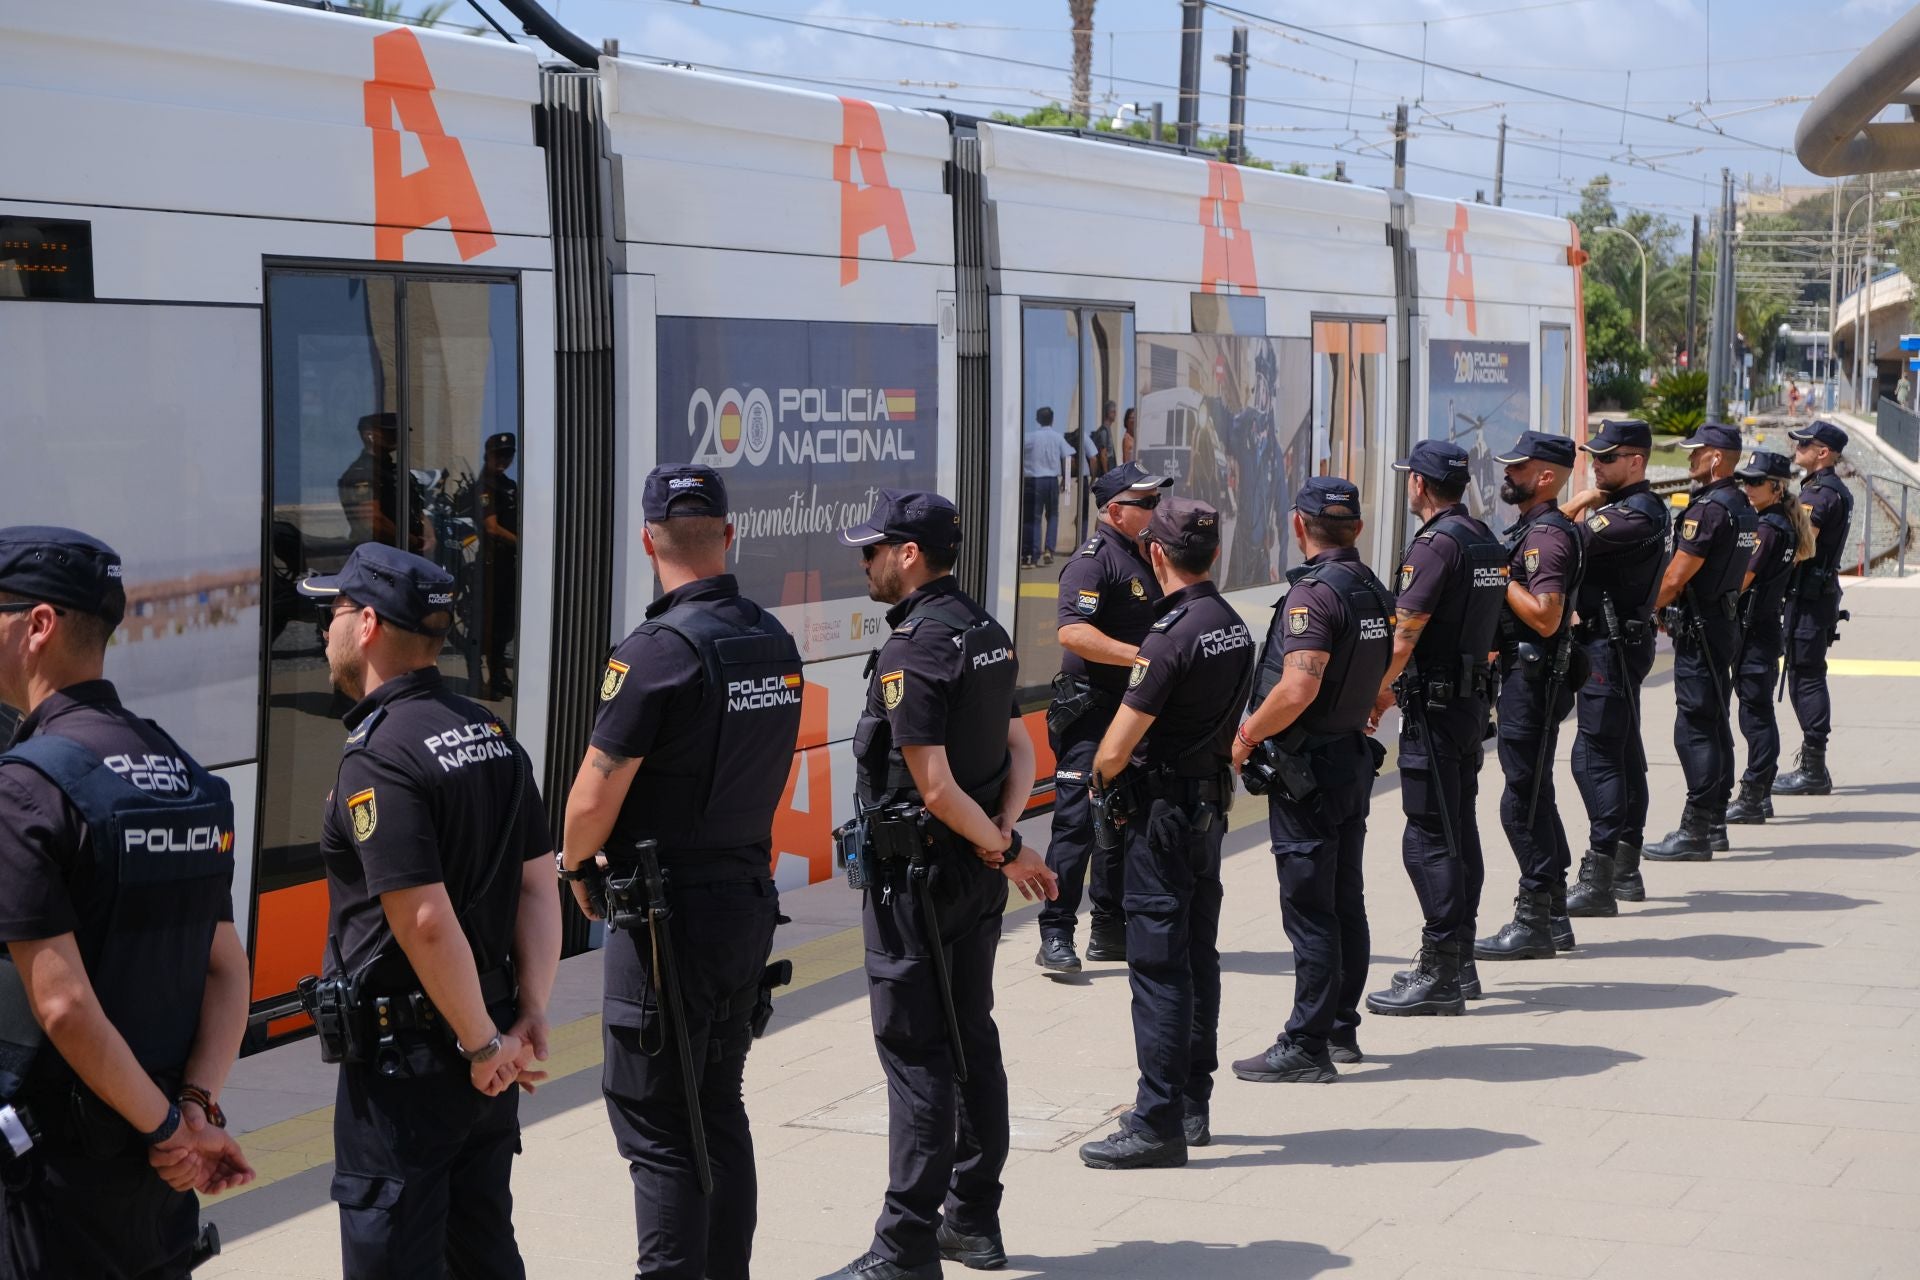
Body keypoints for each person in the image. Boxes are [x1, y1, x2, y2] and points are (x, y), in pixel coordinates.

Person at [558, 466, 804, 1280]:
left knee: (658, 1120)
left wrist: (571, 866)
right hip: (745, 905)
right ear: (729, 536)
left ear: (646, 541)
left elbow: (595, 794)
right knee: (718, 1105)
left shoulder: (655, 654)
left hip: (667, 923)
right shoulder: (774, 640)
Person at [299, 542, 559, 1279]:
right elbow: (538, 882)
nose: (326, 628)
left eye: (336, 611)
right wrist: (527, 1014)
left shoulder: (378, 756)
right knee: (481, 1249)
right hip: (490, 1043)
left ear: (370, 624)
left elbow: (423, 919)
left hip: (409, 1069)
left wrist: (482, 1047)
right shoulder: (492, 733)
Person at [0, 527, 255, 1279]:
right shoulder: (186, 772)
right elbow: (226, 970)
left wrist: (170, 1128)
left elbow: (64, 1006)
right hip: (154, 1192)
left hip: (53, 1184)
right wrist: (197, 1112)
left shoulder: (26, 788)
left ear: (38, 625)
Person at [823, 491, 1054, 1280]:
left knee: (917, 1054)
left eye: (872, 550)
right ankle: (974, 1222)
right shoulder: (985, 631)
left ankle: (904, 1251)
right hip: (969, 877)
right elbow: (1021, 750)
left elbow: (933, 787)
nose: (865, 564)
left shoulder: (914, 647)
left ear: (909, 554)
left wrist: (1006, 847)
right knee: (971, 1037)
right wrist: (1002, 842)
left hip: (917, 884)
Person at [1078, 498, 1255, 1170]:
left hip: (1161, 820)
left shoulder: (1169, 635)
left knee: (1156, 968)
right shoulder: (1231, 624)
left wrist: (1098, 773)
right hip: (1207, 810)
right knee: (1198, 956)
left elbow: (1116, 748)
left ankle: (1157, 1121)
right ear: (1215, 553)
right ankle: (1191, 1102)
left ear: (1157, 555)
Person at [1229, 478, 1392, 1079]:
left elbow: (1297, 686)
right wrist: (1373, 696)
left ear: (1299, 524)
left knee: (1310, 907)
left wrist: (1244, 739)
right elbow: (1388, 656)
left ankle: (1306, 1044)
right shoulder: (1370, 587)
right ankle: (1341, 1028)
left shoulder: (1314, 595)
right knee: (1346, 898)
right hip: (1348, 758)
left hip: (1311, 773)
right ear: (1357, 528)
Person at [1364, 440, 1506, 1016]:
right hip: (1468, 705)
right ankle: (1460, 959)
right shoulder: (1484, 538)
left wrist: (1373, 695)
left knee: (1427, 833)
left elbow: (1405, 633)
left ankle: (1441, 967)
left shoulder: (1434, 546)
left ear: (1419, 485)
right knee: (1456, 825)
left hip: (1435, 710)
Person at [1037, 462, 1172, 974]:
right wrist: (1142, 657)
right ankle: (1054, 933)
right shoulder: (1092, 563)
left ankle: (1109, 931)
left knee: (1120, 819)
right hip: (1092, 712)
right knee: (1075, 824)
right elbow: (1073, 633)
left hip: (1131, 712)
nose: (1155, 511)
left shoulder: (1141, 555)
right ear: (1115, 511)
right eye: (1147, 504)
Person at [1477, 432, 1585, 961]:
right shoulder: (1534, 530)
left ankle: (1535, 915)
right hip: (1526, 677)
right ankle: (1556, 914)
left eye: (1518, 468)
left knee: (1521, 800)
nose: (1508, 474)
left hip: (1533, 680)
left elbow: (1546, 616)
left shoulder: (1547, 537)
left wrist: (1497, 574)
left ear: (1546, 477)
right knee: (1534, 792)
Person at [1559, 419, 1671, 915]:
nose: (1596, 466)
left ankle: (1601, 871)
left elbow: (1553, 542)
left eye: (1606, 458)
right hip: (1614, 642)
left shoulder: (1636, 514)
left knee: (1595, 757)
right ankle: (1624, 868)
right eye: (1595, 457)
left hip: (1611, 646)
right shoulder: (1629, 508)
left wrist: (1580, 505)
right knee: (1622, 752)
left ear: (1636, 461)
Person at [1645, 423, 1759, 862]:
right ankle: (1712, 824)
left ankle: (1696, 828)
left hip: (1701, 628)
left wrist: (1645, 610)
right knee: (1713, 721)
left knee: (1693, 728)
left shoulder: (1708, 510)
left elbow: (1675, 577)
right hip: (1723, 622)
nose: (1689, 460)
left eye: (1696, 454)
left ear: (1715, 458)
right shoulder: (1742, 506)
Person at [1726, 451, 1811, 825]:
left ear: (1777, 488)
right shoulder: (1781, 524)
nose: (1747, 486)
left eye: (1755, 481)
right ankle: (1759, 794)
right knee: (1757, 713)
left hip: (1755, 634)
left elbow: (1741, 579)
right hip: (1763, 630)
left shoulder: (1768, 529)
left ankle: (1755, 793)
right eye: (1744, 479)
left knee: (1755, 716)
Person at [1773, 420, 1855, 797]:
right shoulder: (1826, 489)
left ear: (1823, 453)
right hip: (1816, 595)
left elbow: (1801, 547)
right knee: (1806, 674)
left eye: (1805, 443)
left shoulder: (1820, 495)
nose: (1797, 447)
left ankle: (1813, 768)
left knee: (1806, 676)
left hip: (1809, 598)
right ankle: (1812, 764)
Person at [337, 411, 432, 555]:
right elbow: (372, 521)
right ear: (369, 435)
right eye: (390, 432)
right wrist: (413, 541)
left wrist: (429, 536)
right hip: (382, 555)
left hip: (406, 551)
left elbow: (416, 508)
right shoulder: (362, 472)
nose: (398, 436)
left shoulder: (393, 469)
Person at [473, 431, 519, 700]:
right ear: (487, 455)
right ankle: (480, 679)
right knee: (487, 624)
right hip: (492, 563)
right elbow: (491, 528)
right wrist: (521, 542)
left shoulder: (509, 484)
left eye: (508, 455)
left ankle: (499, 675)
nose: (503, 459)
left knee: (504, 625)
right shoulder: (485, 486)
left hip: (509, 562)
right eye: (498, 455)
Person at [1020, 408, 1075, 568]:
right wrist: (1066, 479)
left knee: (1034, 518)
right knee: (1052, 516)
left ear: (1037, 420)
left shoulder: (1029, 438)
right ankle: (1049, 550)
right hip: (1051, 480)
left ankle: (1033, 554)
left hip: (1033, 481)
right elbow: (1068, 458)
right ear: (1052, 420)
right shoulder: (1057, 438)